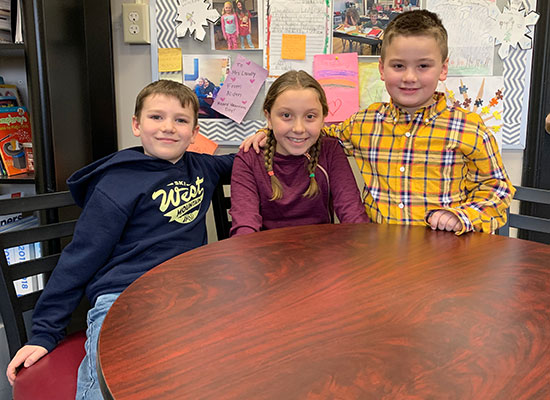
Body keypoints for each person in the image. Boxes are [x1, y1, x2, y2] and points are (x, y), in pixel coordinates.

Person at [5, 80, 234, 399]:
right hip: (122, 298)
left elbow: (249, 164)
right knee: (112, 383)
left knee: (221, 371)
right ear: (136, 125)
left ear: (194, 132)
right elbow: (79, 260)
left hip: (186, 295)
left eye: (180, 120)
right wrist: (44, 333)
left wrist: (265, 140)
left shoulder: (202, 167)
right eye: (156, 117)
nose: (168, 127)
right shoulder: (116, 184)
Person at [241, 10, 514, 235]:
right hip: (379, 256)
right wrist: (269, 131)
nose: (409, 77)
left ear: (443, 69)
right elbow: (311, 131)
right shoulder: (365, 123)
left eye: (423, 66)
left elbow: (498, 189)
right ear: (382, 69)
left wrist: (462, 217)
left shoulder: (470, 128)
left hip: (445, 256)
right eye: (398, 66)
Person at [229, 70, 369, 236]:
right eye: (286, 115)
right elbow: (245, 225)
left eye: (310, 116)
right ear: (268, 117)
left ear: (323, 118)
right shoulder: (249, 157)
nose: (298, 129)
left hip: (322, 254)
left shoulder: (330, 151)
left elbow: (352, 214)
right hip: (266, 256)